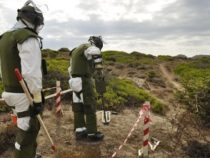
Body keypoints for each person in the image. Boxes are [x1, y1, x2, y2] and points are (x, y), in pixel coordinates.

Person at [0, 1, 44, 158]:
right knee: (28, 130)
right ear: (33, 20)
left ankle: (30, 154)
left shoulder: (4, 37)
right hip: (23, 93)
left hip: (9, 91)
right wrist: (37, 97)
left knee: (25, 127)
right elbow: (31, 73)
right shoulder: (27, 37)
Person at [68, 36, 106, 141]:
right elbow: (95, 51)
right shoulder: (89, 47)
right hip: (83, 81)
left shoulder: (76, 50)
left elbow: (70, 68)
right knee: (90, 106)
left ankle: (80, 131)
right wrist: (99, 70)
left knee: (78, 106)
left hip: (74, 80)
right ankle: (92, 134)